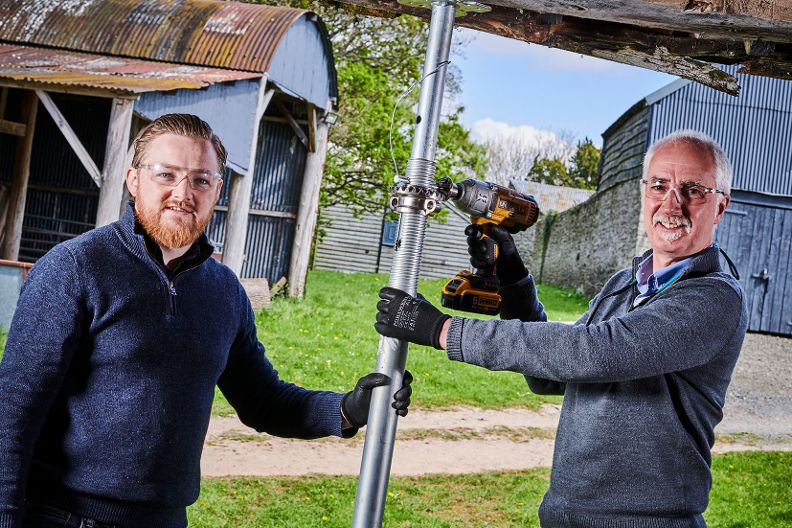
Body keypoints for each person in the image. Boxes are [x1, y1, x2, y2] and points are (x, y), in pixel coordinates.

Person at [0, 114, 411, 528]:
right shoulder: (75, 268)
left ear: (217, 190)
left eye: (200, 180)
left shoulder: (224, 291)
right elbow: (12, 415)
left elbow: (263, 401)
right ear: (133, 180)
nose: (183, 194)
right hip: (63, 517)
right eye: (166, 175)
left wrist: (347, 409)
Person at [374, 130, 748, 527]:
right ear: (644, 193)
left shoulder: (715, 297)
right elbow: (550, 376)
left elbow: (596, 353)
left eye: (693, 191)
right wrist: (512, 276)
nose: (671, 204)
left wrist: (443, 330)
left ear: (720, 207)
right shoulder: (624, 284)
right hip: (564, 516)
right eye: (659, 186)